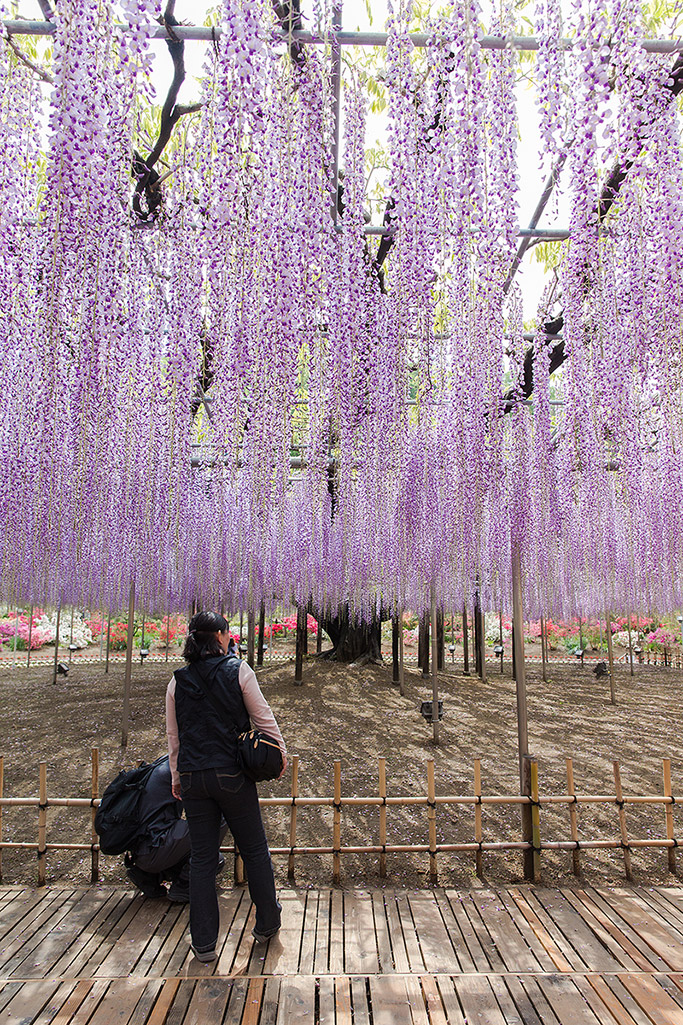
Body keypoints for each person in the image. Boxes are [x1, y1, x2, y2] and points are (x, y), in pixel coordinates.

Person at [166, 610, 287, 963]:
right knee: (253, 849)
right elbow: (264, 717)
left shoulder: (178, 681)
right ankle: (267, 923)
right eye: (227, 631)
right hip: (232, 775)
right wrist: (279, 756)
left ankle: (203, 943)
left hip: (193, 778)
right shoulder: (239, 670)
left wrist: (176, 777)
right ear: (219, 636)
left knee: (202, 859)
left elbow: (175, 738)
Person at [124, 755, 226, 903]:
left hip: (140, 849)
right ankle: (184, 885)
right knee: (218, 826)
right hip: (156, 844)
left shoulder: (162, 763)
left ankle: (148, 876)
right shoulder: (184, 766)